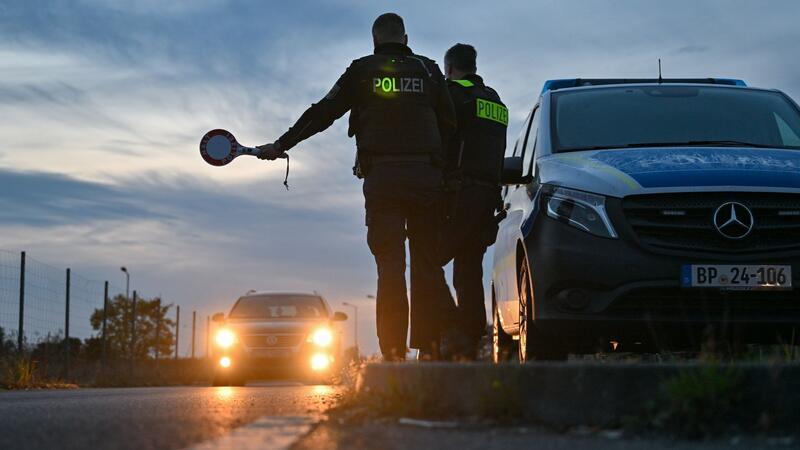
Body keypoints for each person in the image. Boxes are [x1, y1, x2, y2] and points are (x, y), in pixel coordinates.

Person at [256, 13, 458, 360]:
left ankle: (392, 354)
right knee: (426, 265)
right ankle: (431, 350)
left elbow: (323, 112)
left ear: (375, 40)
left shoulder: (362, 70)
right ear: (405, 38)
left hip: (383, 180)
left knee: (390, 267)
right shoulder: (428, 70)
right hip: (427, 179)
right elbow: (450, 124)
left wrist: (282, 144)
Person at [439, 43, 508, 359]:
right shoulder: (495, 101)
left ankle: (454, 334)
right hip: (487, 199)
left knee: (429, 261)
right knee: (469, 272)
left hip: (458, 196)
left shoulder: (453, 95)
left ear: (450, 68)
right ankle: (469, 344)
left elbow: (442, 143)